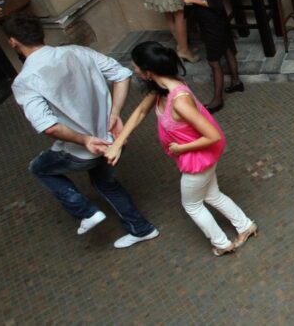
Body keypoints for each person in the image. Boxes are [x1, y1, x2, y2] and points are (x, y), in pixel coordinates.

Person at [5, 13, 159, 248]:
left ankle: (85, 211)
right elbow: (122, 75)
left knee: (39, 169)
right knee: (105, 183)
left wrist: (85, 139)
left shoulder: (24, 80)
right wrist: (114, 113)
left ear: (13, 42)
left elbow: (48, 126)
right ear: (41, 33)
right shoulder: (78, 51)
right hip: (110, 140)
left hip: (81, 150)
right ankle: (141, 228)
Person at [105, 41, 256, 256]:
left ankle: (222, 244)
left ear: (148, 72)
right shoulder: (161, 89)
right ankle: (245, 226)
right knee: (212, 194)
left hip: (197, 159)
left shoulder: (179, 100)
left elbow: (213, 135)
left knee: (192, 205)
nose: (134, 70)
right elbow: (139, 112)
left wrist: (180, 148)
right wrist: (117, 144)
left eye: (136, 66)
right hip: (199, 157)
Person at [173, 0, 243, 113]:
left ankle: (217, 100)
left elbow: (215, 2)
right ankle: (236, 82)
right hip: (215, 20)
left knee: (213, 61)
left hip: (212, 22)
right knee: (227, 49)